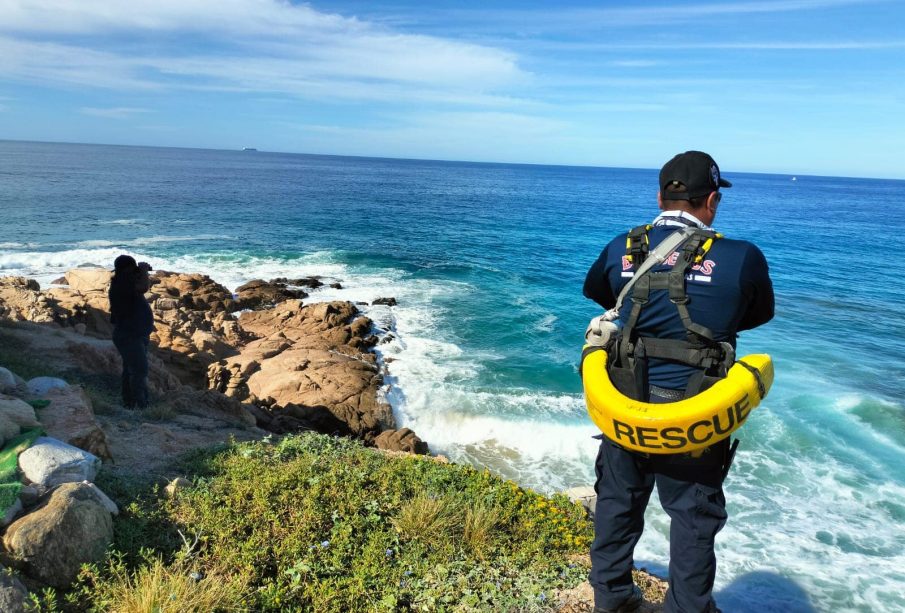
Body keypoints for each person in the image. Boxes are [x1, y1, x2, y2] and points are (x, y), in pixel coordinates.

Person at [582, 151, 774, 613]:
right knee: (692, 518)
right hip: (694, 415)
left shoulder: (622, 246)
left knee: (617, 502)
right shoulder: (741, 256)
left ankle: (611, 599)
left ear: (660, 195)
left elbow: (597, 292)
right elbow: (759, 314)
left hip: (623, 402)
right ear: (711, 200)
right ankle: (687, 608)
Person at [108, 255, 154, 409]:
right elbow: (143, 287)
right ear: (126, 270)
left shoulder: (124, 283)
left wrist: (140, 272)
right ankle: (140, 406)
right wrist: (143, 271)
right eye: (132, 269)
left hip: (134, 335)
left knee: (130, 371)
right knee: (139, 371)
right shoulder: (121, 285)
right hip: (129, 336)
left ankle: (129, 404)